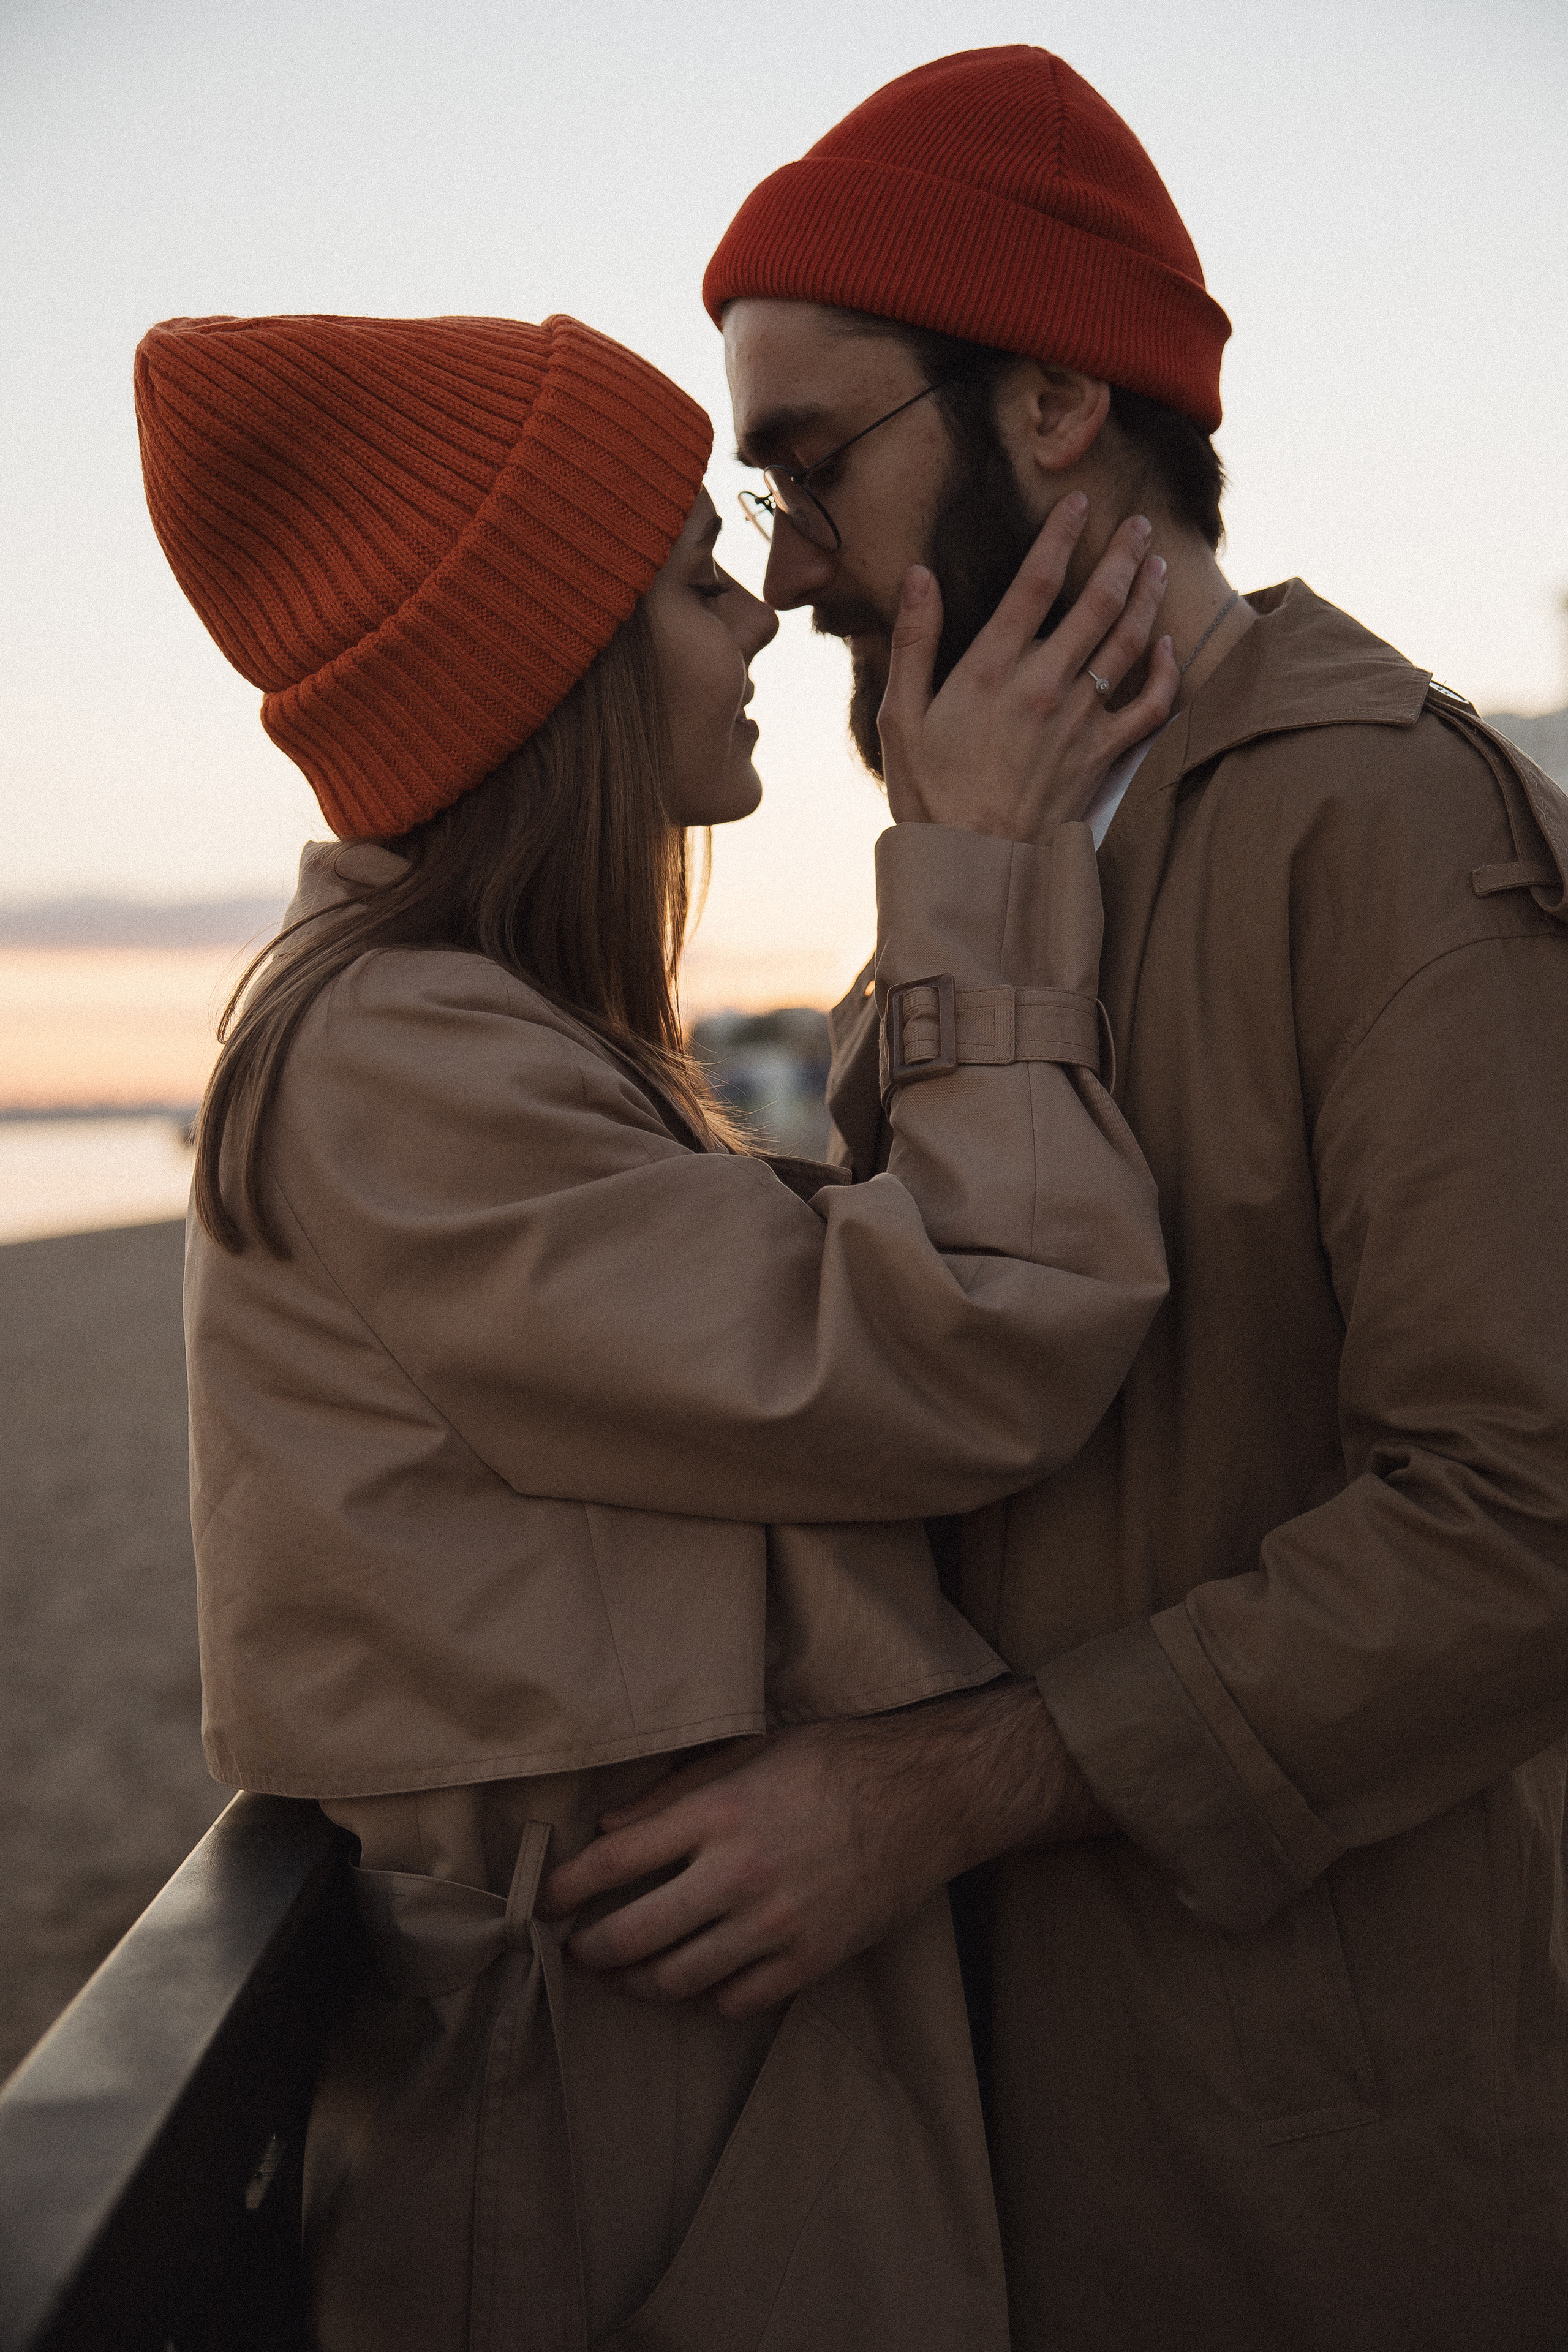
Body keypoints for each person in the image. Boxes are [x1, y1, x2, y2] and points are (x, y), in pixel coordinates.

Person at [547, 48, 1568, 2349]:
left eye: (812, 465)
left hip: (1308, 2171)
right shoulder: (986, 861)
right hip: (982, 2132)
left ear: (1048, 405)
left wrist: (943, 1796)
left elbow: (1527, 1514)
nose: (786, 564)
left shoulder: (1383, 824)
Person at [134, 307, 1174, 2349]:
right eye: (700, 577)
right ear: (563, 671)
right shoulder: (402, 1064)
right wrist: (972, 867)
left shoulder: (467, 1037)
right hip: (612, 2140)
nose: (765, 612)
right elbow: (982, 1330)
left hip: (660, 2080)